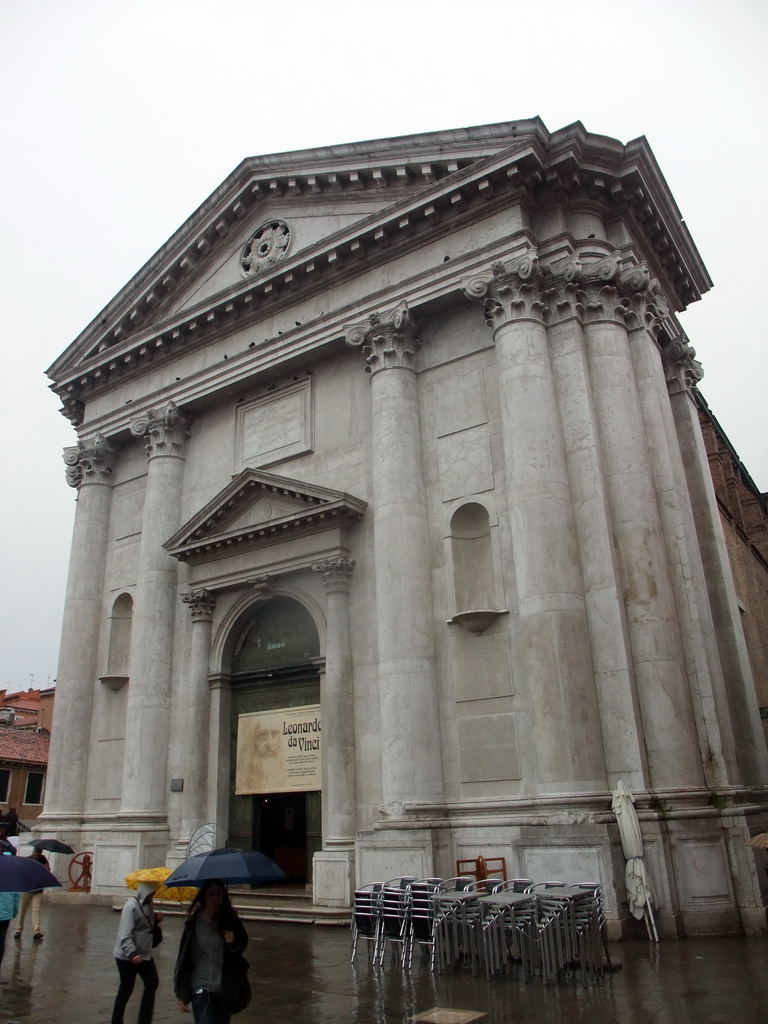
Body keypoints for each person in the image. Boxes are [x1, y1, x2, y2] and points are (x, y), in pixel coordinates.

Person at [174, 879, 249, 1024]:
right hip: (201, 986)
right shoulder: (193, 923)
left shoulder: (230, 921)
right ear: (204, 896)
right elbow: (184, 958)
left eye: (219, 894)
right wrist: (182, 993)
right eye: (211, 894)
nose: (215, 899)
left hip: (224, 989)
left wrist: (232, 942)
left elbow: (240, 947)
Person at [112, 880, 163, 1024]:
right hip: (127, 956)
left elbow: (145, 925)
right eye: (152, 892)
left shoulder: (149, 904)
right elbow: (124, 935)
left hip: (144, 953)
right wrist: (133, 954)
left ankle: (144, 1019)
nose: (153, 895)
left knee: (152, 982)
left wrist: (156, 920)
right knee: (126, 988)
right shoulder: (131, 906)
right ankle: (116, 1020)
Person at [14, 848, 49, 941]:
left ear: (41, 854)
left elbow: (47, 872)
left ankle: (36, 931)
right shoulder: (28, 860)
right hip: (27, 889)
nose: (36, 856)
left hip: (38, 889)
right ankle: (18, 929)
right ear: (33, 853)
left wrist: (45, 866)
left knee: (36, 910)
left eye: (38, 854)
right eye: (35, 854)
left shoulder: (43, 860)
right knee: (22, 909)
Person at [0, 853, 20, 984]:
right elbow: (16, 895)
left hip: (5, 913)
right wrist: (13, 912)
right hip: (5, 914)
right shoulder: (12, 871)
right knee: (0, 941)